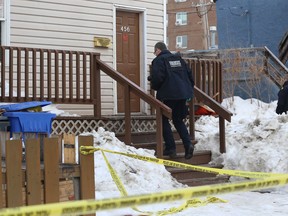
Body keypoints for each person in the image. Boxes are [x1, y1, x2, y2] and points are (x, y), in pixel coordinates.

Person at [148, 42, 195, 159]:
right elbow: (190, 76)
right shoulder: (178, 59)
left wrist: (155, 85)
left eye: (155, 52)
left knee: (163, 120)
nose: (155, 54)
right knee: (178, 120)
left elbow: (158, 78)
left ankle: (170, 148)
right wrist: (187, 90)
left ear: (158, 50)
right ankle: (188, 144)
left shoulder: (159, 60)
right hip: (182, 94)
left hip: (168, 95)